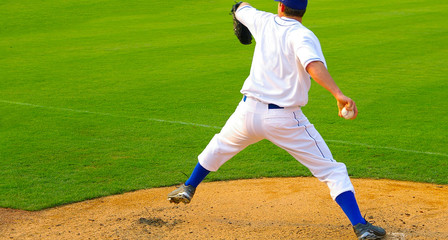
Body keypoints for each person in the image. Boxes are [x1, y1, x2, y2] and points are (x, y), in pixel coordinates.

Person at [168, 0, 386, 239]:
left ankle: (189, 186)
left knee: (220, 145)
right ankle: (361, 227)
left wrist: (237, 11)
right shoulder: (303, 35)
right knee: (332, 170)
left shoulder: (262, 20)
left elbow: (240, 7)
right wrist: (338, 94)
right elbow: (312, 64)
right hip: (284, 119)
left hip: (247, 113)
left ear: (280, 6)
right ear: (303, 9)